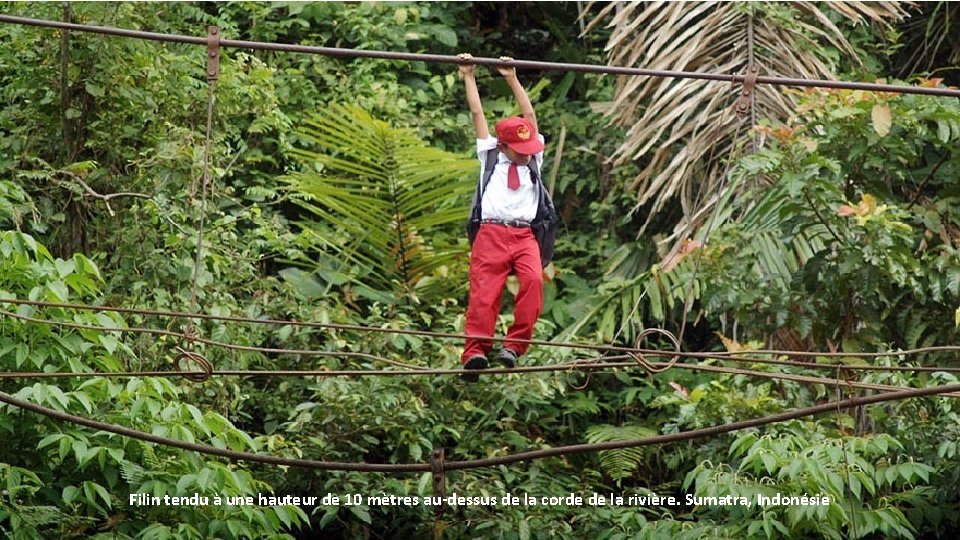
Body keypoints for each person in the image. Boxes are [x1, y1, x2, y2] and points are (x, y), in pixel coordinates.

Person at [457, 53, 558, 383]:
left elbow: (529, 115)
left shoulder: (533, 160)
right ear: (503, 146)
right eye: (518, 149)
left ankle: (514, 346)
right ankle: (475, 352)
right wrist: (469, 76)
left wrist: (511, 77)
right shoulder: (489, 155)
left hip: (524, 235)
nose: (526, 154)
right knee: (485, 293)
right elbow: (477, 112)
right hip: (491, 234)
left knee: (532, 281)